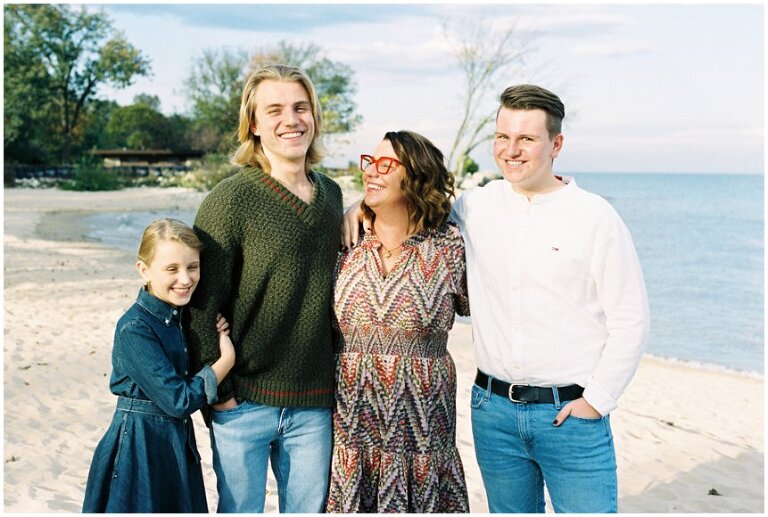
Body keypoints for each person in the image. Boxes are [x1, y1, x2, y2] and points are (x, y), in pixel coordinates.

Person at [344, 85, 650, 513]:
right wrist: (362, 206)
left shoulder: (595, 217)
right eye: (503, 137)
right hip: (494, 415)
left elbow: (631, 321)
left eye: (527, 138)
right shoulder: (474, 207)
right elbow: (412, 205)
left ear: (556, 144)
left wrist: (596, 400)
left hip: (570, 416)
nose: (512, 150)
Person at [185, 64, 343, 513]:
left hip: (314, 401)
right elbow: (200, 306)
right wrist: (222, 392)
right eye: (274, 110)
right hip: (243, 402)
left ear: (314, 115)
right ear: (253, 124)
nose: (290, 120)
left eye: (300, 107)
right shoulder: (230, 199)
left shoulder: (332, 196)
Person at [326, 130, 470, 513]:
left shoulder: (451, 246)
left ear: (418, 177)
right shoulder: (345, 242)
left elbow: (498, 310)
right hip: (351, 425)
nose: (372, 172)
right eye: (370, 162)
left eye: (386, 164)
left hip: (423, 428)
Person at [82, 218, 235, 513]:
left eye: (192, 267)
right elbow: (177, 399)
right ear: (144, 270)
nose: (185, 279)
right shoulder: (135, 328)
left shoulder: (181, 317)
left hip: (175, 442)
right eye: (171, 269)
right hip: (138, 445)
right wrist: (225, 361)